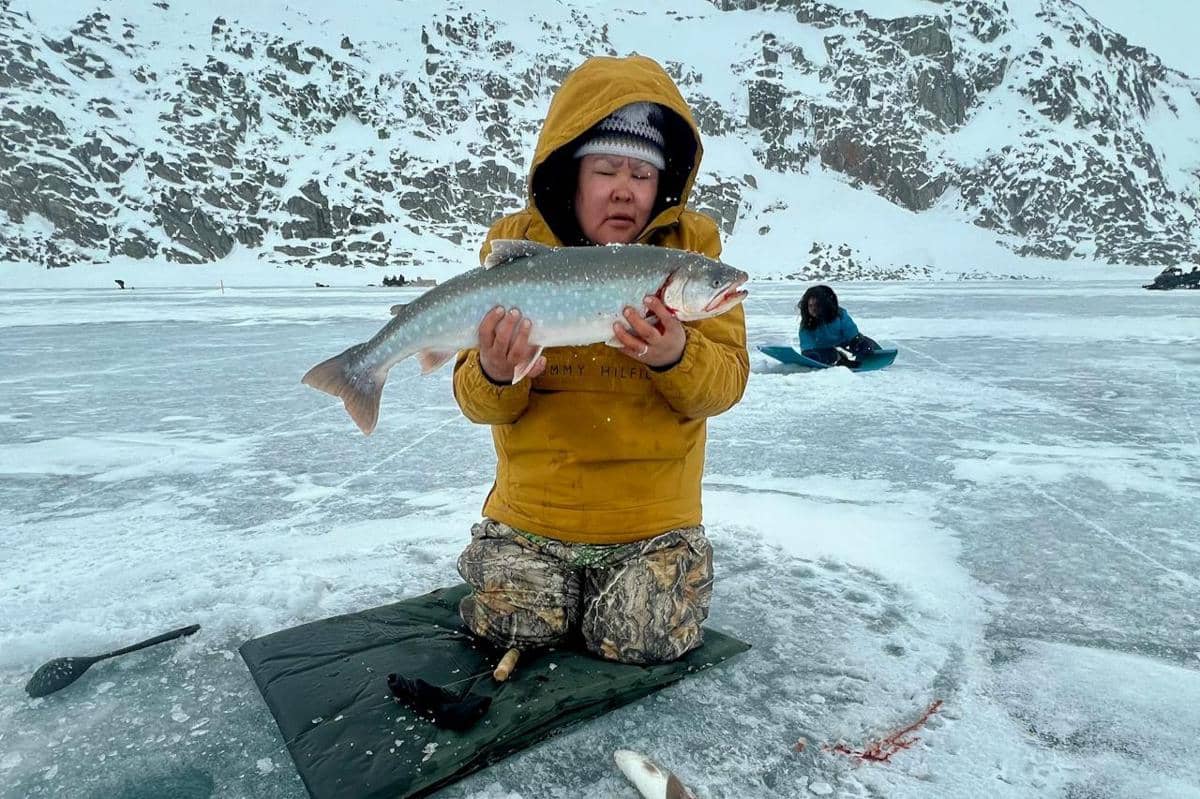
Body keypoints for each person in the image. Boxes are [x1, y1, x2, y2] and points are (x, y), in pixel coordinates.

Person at [451, 54, 749, 666]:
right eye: (607, 168)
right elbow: (474, 402)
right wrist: (496, 373)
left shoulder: (691, 250)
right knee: (513, 626)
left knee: (642, 636)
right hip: (534, 514)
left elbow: (723, 386)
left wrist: (676, 355)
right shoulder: (518, 243)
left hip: (650, 521)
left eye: (641, 174)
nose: (623, 188)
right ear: (572, 176)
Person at [797, 284, 879, 366]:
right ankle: (840, 359)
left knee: (863, 345)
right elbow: (806, 342)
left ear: (826, 304)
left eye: (817, 305)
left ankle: (871, 356)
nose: (813, 309)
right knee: (823, 356)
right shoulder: (806, 323)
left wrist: (857, 342)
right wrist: (808, 354)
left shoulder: (840, 315)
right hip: (823, 347)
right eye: (810, 306)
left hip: (844, 341)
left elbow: (850, 330)